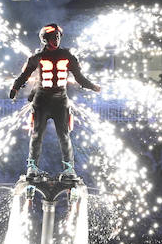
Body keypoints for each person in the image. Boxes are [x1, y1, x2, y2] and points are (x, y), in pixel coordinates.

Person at [8, 23, 100, 180]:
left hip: (60, 100)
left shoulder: (68, 55)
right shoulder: (37, 57)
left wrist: (92, 86)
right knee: (37, 134)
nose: (56, 39)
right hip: (41, 100)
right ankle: (32, 167)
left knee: (64, 135)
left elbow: (79, 77)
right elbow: (24, 75)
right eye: (53, 37)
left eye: (58, 36)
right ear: (45, 39)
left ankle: (69, 169)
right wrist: (15, 88)